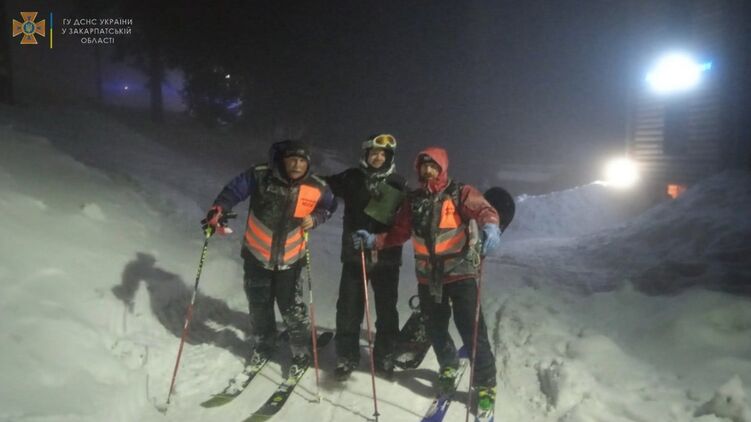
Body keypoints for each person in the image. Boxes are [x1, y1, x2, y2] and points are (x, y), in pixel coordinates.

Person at [353, 146, 502, 411]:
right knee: (435, 328)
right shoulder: (413, 200)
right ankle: (448, 365)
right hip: (428, 278)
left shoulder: (460, 192)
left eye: (433, 166)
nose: (429, 171)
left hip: (461, 273)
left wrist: (491, 225)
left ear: (442, 168)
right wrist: (375, 240)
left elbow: (484, 209)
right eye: (424, 167)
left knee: (472, 331)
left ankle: (485, 384)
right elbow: (399, 233)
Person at [202, 140, 337, 374]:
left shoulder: (316, 185)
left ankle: (301, 350)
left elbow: (330, 205)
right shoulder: (261, 175)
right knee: (259, 304)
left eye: (302, 161)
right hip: (256, 255)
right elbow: (233, 191)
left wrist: (316, 218)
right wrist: (219, 209)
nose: (297, 165)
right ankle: (264, 343)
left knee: (292, 308)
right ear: (282, 160)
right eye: (292, 160)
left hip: (291, 259)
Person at [324, 134, 408, 380]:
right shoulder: (352, 177)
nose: (378, 157)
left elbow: (407, 221)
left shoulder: (398, 183)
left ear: (389, 157)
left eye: (383, 154)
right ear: (366, 155)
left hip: (387, 258)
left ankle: (384, 355)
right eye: (374, 153)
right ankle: (347, 355)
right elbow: (322, 185)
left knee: (386, 311)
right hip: (355, 255)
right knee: (348, 308)